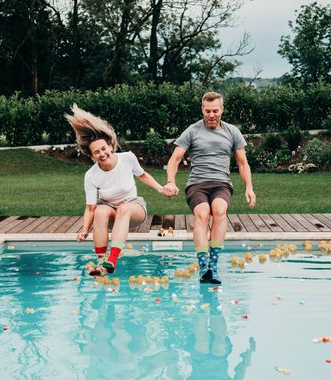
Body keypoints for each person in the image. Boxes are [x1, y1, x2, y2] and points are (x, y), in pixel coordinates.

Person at [163, 91, 256, 284]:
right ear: (202, 110)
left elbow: (243, 163)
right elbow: (175, 158)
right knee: (203, 214)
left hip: (221, 183)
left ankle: (213, 266)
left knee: (219, 211)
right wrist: (171, 181)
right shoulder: (192, 130)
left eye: (215, 111)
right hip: (197, 184)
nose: (211, 115)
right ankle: (203, 265)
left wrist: (249, 187)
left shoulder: (232, 131)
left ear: (221, 110)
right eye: (207, 111)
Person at [66, 105, 169, 276]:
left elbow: (142, 175)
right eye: (96, 152)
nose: (102, 153)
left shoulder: (128, 158)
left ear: (110, 146)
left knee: (123, 208)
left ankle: (112, 260)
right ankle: (101, 265)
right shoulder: (91, 175)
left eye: (104, 148)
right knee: (100, 211)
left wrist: (160, 188)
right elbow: (90, 207)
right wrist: (85, 229)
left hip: (133, 208)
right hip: (109, 210)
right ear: (92, 157)